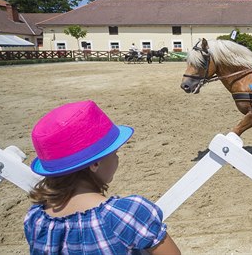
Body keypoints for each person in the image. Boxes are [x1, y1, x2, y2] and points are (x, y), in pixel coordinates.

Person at [24, 100, 181, 254]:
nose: (117, 158)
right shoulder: (126, 213)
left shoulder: (35, 219)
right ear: (95, 164)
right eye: (114, 153)